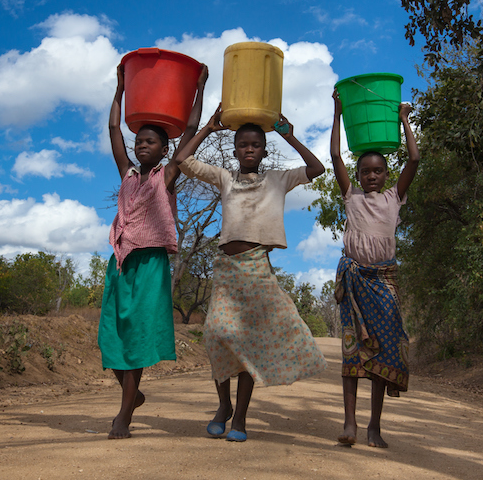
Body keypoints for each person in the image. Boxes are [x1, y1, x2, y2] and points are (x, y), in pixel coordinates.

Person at [175, 110, 328, 443]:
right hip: (227, 270)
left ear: (264, 150)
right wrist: (209, 128)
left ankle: (240, 418)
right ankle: (223, 406)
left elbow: (317, 169)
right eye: (242, 145)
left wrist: (288, 134)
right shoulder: (224, 178)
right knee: (216, 334)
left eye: (255, 145)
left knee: (247, 344)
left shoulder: (278, 179)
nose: (248, 149)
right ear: (234, 151)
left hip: (257, 266)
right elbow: (182, 159)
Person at [98, 61, 208, 439]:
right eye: (139, 142)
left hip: (151, 264)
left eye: (151, 142)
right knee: (111, 335)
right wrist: (120, 89)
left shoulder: (169, 175)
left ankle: (123, 416)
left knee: (140, 335)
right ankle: (133, 395)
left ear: (165, 148)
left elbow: (191, 129)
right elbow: (114, 127)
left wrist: (200, 88)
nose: (142, 146)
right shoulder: (127, 173)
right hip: (121, 262)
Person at [330, 91, 419, 448]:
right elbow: (336, 154)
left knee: (383, 352)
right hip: (354, 281)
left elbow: (414, 158)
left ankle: (374, 427)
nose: (371, 176)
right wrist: (337, 111)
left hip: (383, 282)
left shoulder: (394, 197)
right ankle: (350, 424)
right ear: (358, 175)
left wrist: (403, 119)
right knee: (352, 354)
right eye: (365, 171)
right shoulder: (350, 196)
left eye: (378, 170)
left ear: (386, 174)